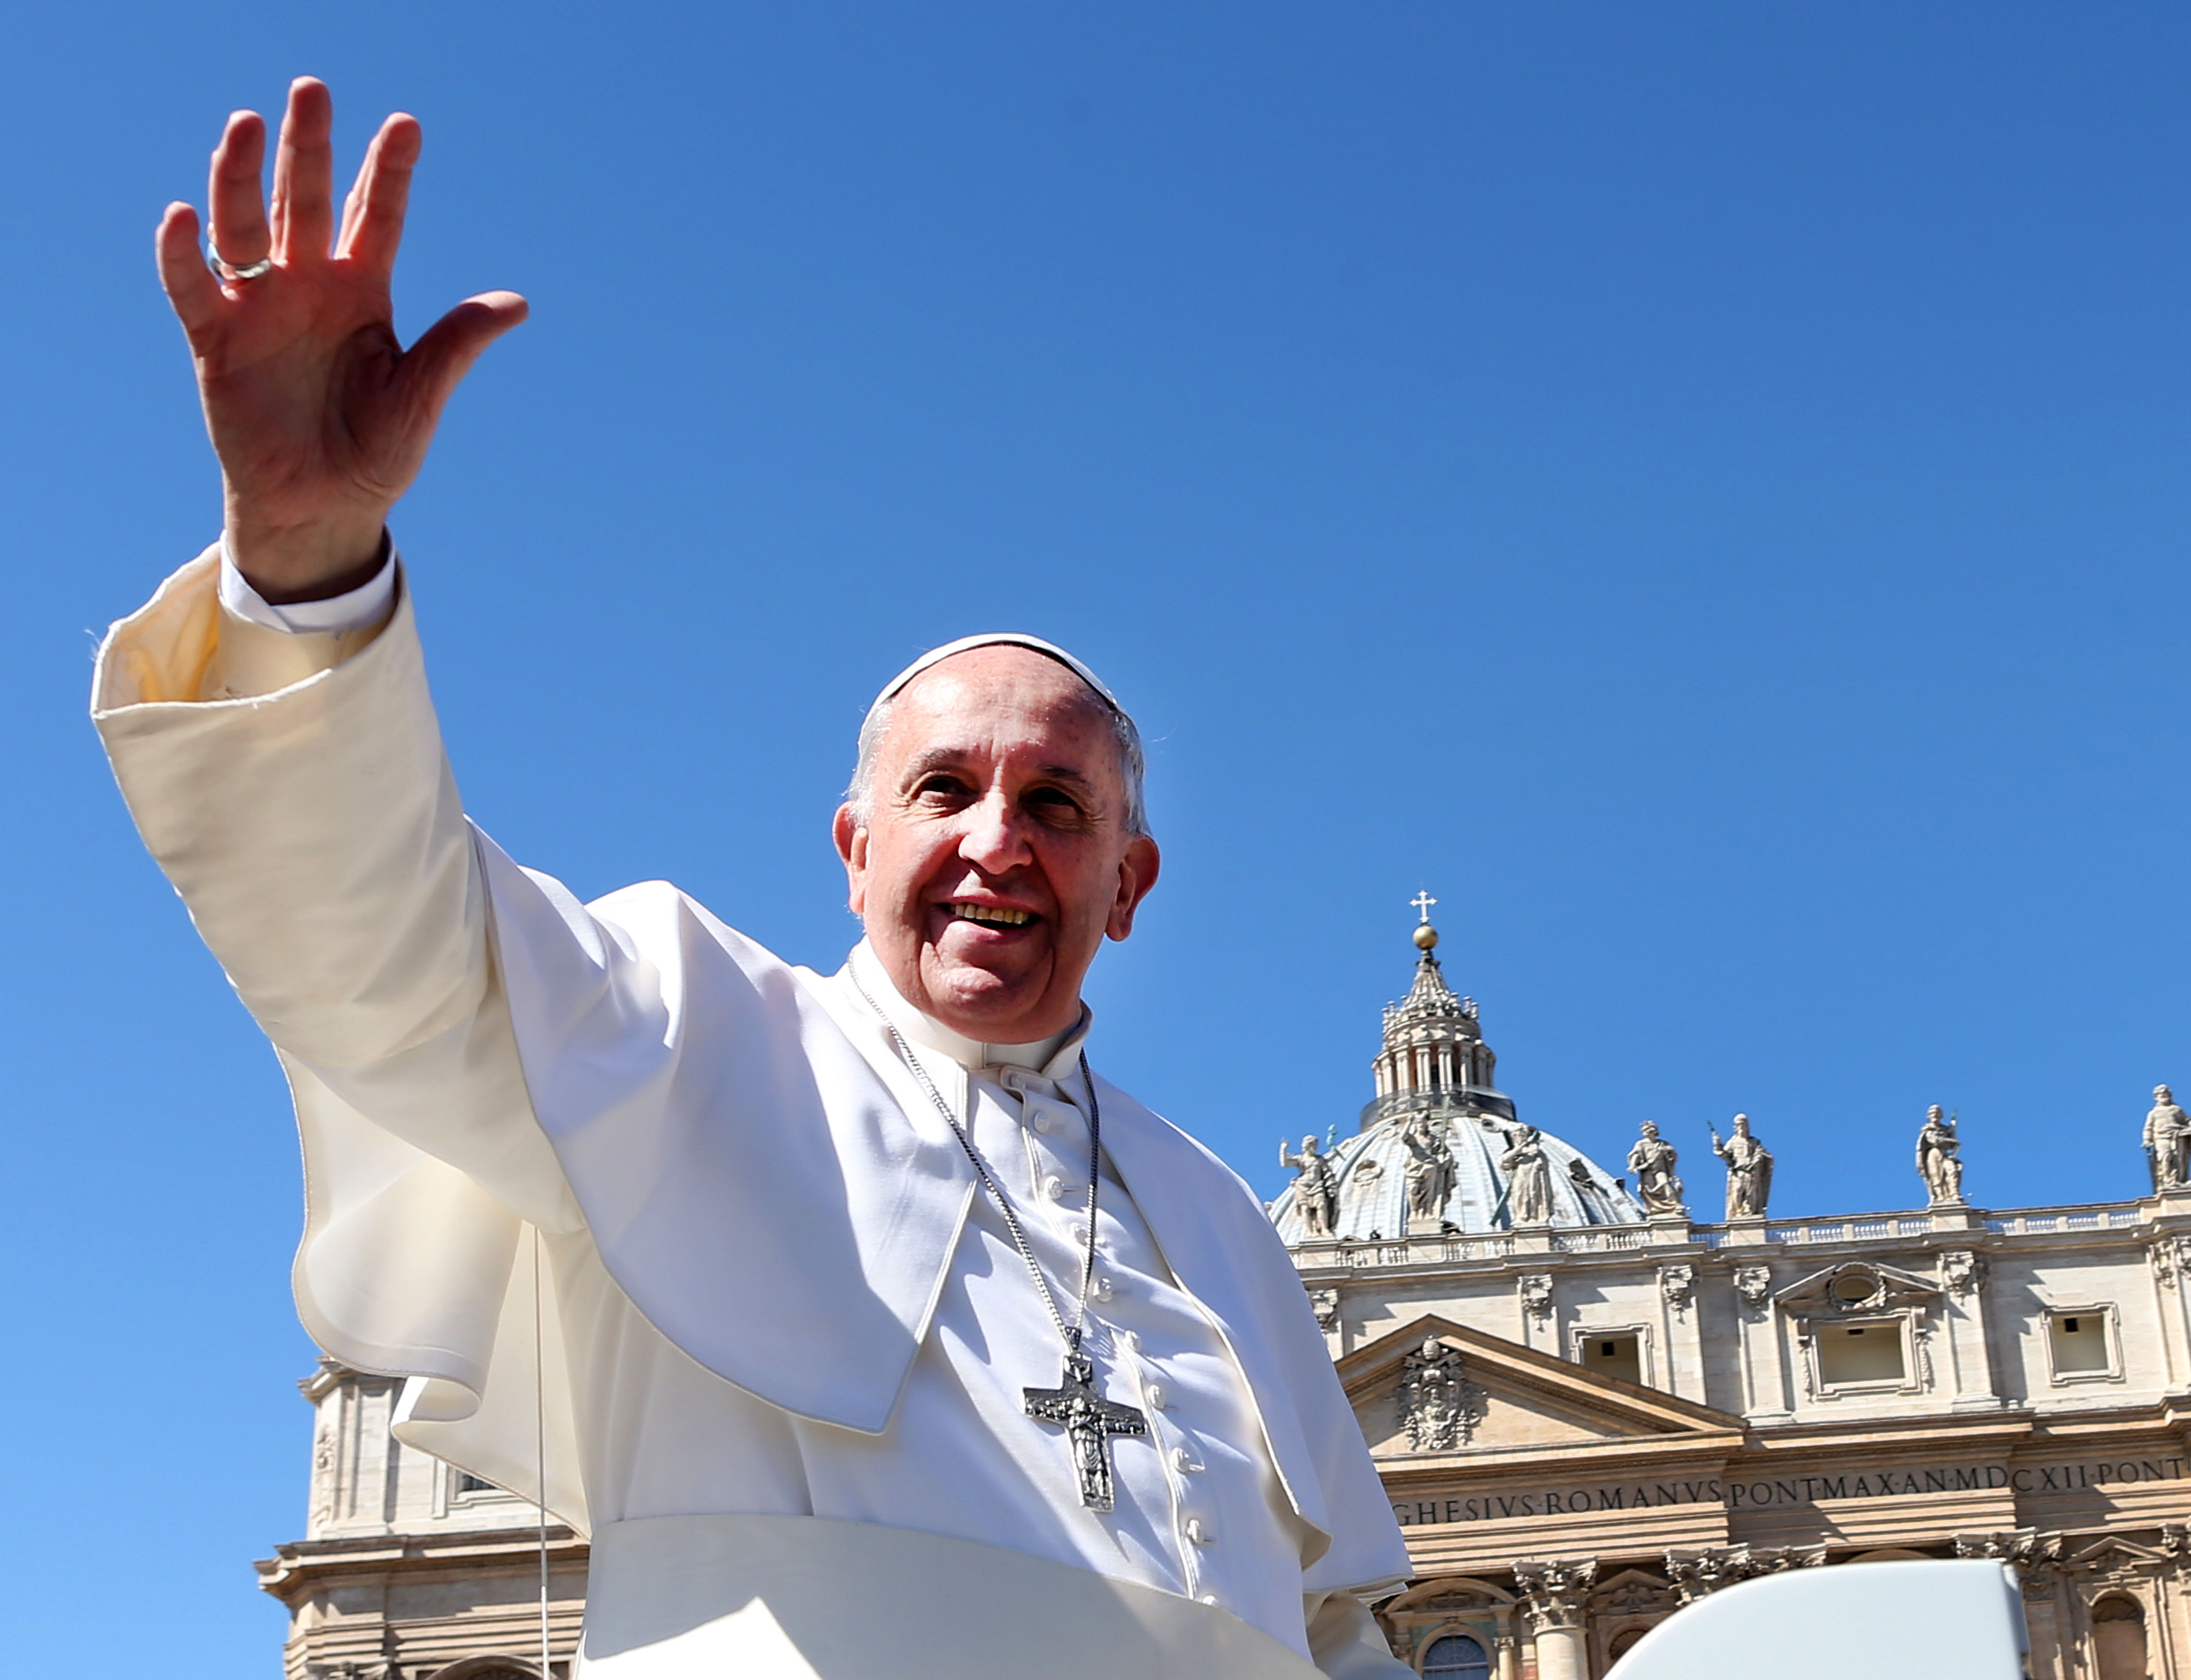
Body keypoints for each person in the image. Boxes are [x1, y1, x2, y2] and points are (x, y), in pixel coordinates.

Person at [94, 80, 1407, 1680]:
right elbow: (375, 930)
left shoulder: (1222, 1225)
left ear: (1125, 879)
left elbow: (1335, 1627)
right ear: (855, 852)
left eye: (1055, 804)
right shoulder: (678, 1035)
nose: (998, 838)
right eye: (945, 790)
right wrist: (305, 566)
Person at [1713, 1113, 1774, 1220]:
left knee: (1751, 1194)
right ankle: (1739, 1212)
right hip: (1738, 1172)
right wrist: (1718, 1144)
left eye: (1744, 1125)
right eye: (1739, 1125)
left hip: (1751, 1172)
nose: (1742, 1128)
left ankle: (1748, 1211)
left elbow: (1762, 1154)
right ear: (1736, 1128)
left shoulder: (1754, 1142)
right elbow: (1725, 1155)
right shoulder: (1733, 1142)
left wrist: (1757, 1160)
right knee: (1737, 1193)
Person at [1628, 1120, 1683, 1216]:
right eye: (1645, 1130)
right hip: (1648, 1169)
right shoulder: (1641, 1144)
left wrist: (1668, 1151)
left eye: (1648, 1129)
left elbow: (1674, 1156)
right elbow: (1636, 1155)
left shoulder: (1663, 1143)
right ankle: (1654, 1208)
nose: (1646, 1132)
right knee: (1648, 1188)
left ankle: (1675, 1204)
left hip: (1661, 1169)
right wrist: (1633, 1166)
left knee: (1666, 1184)